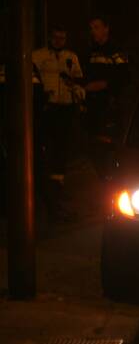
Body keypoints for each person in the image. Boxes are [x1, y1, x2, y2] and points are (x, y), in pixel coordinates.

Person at [32, 25, 85, 221]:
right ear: (50, 38)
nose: (59, 41)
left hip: (65, 107)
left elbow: (78, 79)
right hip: (47, 108)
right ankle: (43, 188)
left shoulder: (71, 57)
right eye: (56, 37)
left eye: (62, 38)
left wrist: (76, 90)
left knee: (62, 148)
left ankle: (57, 187)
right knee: (45, 146)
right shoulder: (37, 56)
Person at [83, 14, 131, 143]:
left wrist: (104, 85)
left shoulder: (116, 50)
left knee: (108, 146)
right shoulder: (90, 51)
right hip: (93, 107)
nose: (93, 31)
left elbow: (124, 77)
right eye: (91, 28)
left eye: (96, 27)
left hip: (110, 107)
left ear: (106, 29)